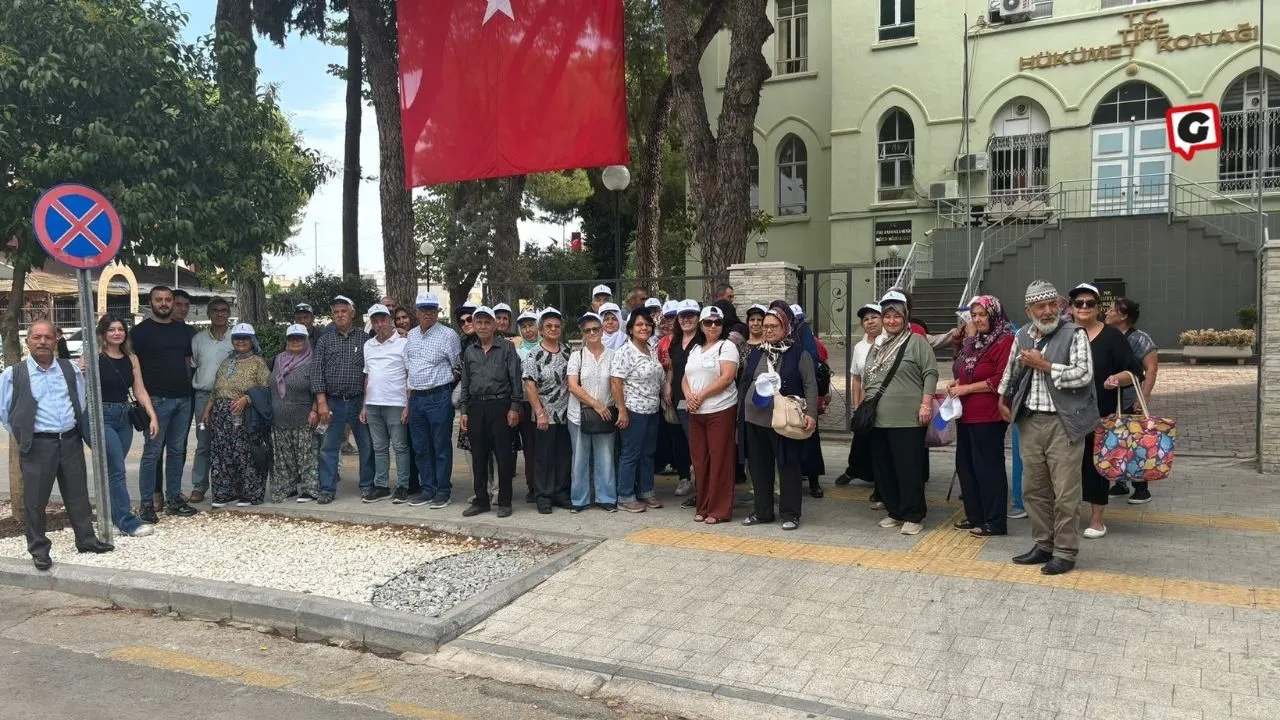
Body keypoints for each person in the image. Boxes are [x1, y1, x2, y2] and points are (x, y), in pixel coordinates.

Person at [998, 280, 1098, 576]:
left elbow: (1083, 375)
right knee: (1034, 489)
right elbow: (1012, 369)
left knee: (1066, 492)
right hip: (1030, 421)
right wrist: (1002, 397)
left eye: (1052, 304)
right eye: (1040, 306)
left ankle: (1065, 551)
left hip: (1063, 423)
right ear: (1029, 310)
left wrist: (1046, 366)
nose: (1048, 311)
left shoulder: (1074, 333)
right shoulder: (1022, 335)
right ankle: (1043, 544)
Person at [0, 320, 114, 569]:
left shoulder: (69, 369)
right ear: (28, 341)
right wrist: (27, 434)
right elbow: (6, 412)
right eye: (37, 337)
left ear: (56, 340)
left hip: (70, 440)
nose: (42, 342)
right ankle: (39, 549)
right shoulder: (14, 374)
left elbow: (80, 400)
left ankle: (86, 540)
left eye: (48, 337)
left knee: (78, 494)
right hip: (38, 445)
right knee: (36, 500)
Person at [1067, 283, 1142, 540]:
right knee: (1065, 468)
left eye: (1090, 303)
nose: (1084, 307)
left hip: (1101, 415)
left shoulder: (1112, 337)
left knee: (1097, 468)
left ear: (1098, 308)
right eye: (1079, 303)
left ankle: (1097, 520)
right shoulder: (1064, 334)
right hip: (1066, 416)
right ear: (1071, 308)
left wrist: (1116, 379)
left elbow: (1134, 371)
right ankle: (1066, 518)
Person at [861, 291, 938, 536]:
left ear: (905, 317)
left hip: (908, 419)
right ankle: (895, 511)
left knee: (908, 468)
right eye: (887, 316)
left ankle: (914, 514)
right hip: (878, 419)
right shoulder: (878, 345)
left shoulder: (917, 342)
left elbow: (930, 373)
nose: (892, 321)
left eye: (897, 316)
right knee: (884, 468)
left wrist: (926, 404)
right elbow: (869, 378)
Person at [739, 307, 818, 530]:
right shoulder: (756, 352)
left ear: (786, 327)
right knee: (758, 467)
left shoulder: (798, 353)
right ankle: (762, 512)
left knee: (788, 466)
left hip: (784, 419)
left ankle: (790, 513)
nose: (768, 330)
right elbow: (745, 382)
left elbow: (810, 384)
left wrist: (811, 413)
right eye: (765, 326)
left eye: (774, 326)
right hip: (755, 418)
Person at [949, 296, 1015, 537]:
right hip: (965, 414)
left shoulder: (1005, 340)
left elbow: (1001, 378)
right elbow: (963, 369)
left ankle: (995, 521)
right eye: (974, 315)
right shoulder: (975, 341)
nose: (977, 320)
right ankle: (975, 515)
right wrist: (957, 383)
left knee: (988, 467)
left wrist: (966, 388)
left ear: (994, 315)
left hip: (988, 415)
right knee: (966, 467)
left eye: (982, 315)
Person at [131, 285, 199, 521]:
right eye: (159, 299)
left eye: (167, 299)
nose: (164, 303)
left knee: (178, 451)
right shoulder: (139, 333)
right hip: (155, 401)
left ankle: (174, 499)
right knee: (152, 452)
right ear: (150, 302)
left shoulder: (183, 332)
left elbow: (190, 362)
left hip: (183, 398)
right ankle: (147, 503)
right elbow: (130, 364)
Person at [91, 314, 159, 537]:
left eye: (120, 329)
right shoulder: (94, 357)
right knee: (118, 470)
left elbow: (139, 390)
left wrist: (152, 415)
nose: (117, 333)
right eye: (111, 330)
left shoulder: (131, 358)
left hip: (123, 416)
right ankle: (127, 521)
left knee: (114, 470)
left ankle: (109, 518)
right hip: (102, 415)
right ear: (103, 333)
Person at [460, 306, 523, 518]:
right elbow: (465, 384)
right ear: (474, 325)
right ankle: (481, 500)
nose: (483, 327)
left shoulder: (507, 349)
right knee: (478, 456)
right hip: (477, 407)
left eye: (488, 322)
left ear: (494, 325)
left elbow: (516, 380)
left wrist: (515, 407)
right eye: (479, 322)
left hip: (501, 406)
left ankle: (504, 501)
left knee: (504, 456)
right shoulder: (469, 351)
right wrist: (464, 412)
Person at [312, 295, 375, 504]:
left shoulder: (365, 340)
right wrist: (321, 401)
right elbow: (316, 372)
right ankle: (327, 489)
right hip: (333, 402)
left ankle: (367, 485)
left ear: (352, 313)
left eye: (343, 311)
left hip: (359, 401)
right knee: (329, 446)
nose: (339, 315)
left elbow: (371, 372)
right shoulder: (325, 340)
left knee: (366, 445)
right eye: (336, 312)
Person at [200, 324, 270, 507]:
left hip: (244, 413)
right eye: (238, 338)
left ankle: (250, 493)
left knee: (245, 453)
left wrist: (247, 399)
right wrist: (208, 408)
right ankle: (225, 492)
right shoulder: (226, 361)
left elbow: (266, 388)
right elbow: (217, 389)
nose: (241, 341)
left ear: (252, 341)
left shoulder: (258, 362)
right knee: (221, 454)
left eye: (245, 338)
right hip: (221, 415)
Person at [405, 292, 463, 509]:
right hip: (416, 398)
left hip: (438, 396)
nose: (427, 313)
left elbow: (457, 366)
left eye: (432, 309)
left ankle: (443, 490)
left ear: (437, 311)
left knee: (440, 446)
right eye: (423, 309)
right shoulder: (411, 335)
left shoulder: (448, 335)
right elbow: (408, 363)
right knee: (420, 447)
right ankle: (427, 488)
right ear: (417, 312)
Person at [684, 305, 740, 524]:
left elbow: (727, 377)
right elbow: (685, 377)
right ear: (701, 325)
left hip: (720, 409)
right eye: (708, 322)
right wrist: (689, 395)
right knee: (700, 460)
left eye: (717, 322)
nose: (713, 326)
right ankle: (703, 505)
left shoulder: (727, 347)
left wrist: (702, 395)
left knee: (720, 459)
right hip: (696, 412)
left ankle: (719, 509)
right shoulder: (696, 349)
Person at [1105, 297, 1160, 504]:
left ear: (1124, 316)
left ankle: (1141, 487)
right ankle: (1120, 483)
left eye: (1112, 310)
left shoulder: (1140, 339)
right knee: (1116, 440)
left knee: (1136, 441)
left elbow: (1151, 368)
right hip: (1112, 398)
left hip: (1130, 398)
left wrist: (1143, 396)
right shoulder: (1107, 335)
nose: (1107, 313)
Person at [611, 311, 665, 513]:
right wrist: (622, 410)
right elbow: (616, 381)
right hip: (633, 410)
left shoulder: (651, 348)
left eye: (648, 324)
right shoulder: (625, 351)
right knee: (630, 454)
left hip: (652, 409)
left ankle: (646, 490)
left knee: (648, 453)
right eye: (639, 325)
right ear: (631, 329)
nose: (644, 328)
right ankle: (625, 495)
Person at [524, 308, 573, 514]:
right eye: (549, 326)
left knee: (563, 455)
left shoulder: (568, 351)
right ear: (541, 329)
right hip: (544, 414)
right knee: (543, 457)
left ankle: (561, 493)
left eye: (557, 326)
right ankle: (542, 495)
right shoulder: (533, 355)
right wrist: (540, 412)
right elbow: (529, 385)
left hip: (566, 414)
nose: (553, 329)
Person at [567, 313, 617, 512]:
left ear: (602, 330)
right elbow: (572, 385)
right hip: (580, 414)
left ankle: (606, 498)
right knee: (579, 457)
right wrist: (596, 404)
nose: (592, 333)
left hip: (606, 414)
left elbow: (616, 383)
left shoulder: (613, 355)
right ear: (583, 333)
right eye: (588, 330)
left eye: (596, 329)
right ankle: (579, 499)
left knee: (605, 457)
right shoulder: (576, 355)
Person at [361, 303, 411, 503]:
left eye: (383, 319)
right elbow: (367, 376)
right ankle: (381, 485)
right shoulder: (368, 345)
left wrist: (408, 404)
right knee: (379, 447)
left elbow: (410, 375)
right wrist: (364, 405)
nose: (379, 324)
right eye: (375, 320)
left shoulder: (403, 343)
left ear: (390, 321)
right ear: (371, 323)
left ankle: (403, 485)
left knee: (400, 446)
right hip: (373, 404)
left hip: (396, 402)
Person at [188, 298, 234, 504]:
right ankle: (199, 486)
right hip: (203, 396)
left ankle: (229, 484)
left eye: (224, 310)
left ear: (229, 313)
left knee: (230, 442)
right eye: (215, 310)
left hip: (230, 397)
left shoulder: (236, 337)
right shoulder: (198, 340)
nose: (220, 314)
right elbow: (194, 365)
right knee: (204, 443)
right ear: (208, 314)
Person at [269, 324, 320, 503]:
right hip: (279, 418)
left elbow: (319, 389)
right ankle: (287, 488)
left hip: (304, 417)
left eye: (299, 338)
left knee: (307, 456)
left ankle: (310, 489)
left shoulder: (313, 361)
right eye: (292, 338)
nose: (295, 341)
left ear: (306, 340)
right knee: (283, 457)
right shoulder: (278, 359)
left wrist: (315, 410)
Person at [835, 303, 882, 488]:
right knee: (861, 441)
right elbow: (856, 377)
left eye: (874, 317)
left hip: (887, 401)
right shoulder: (860, 347)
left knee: (881, 443)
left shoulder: (891, 342)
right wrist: (856, 404)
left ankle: (881, 483)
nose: (870, 322)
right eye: (866, 319)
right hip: (866, 402)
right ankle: (853, 470)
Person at [665, 299, 700, 502]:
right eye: (682, 316)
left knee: (696, 444)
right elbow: (672, 366)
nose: (686, 319)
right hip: (677, 399)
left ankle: (702, 487)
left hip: (696, 401)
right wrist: (668, 385)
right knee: (679, 441)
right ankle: (684, 479)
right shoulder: (676, 341)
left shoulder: (702, 341)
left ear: (698, 318)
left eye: (691, 315)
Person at [513, 309, 540, 501]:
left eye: (531, 325)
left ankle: (545, 483)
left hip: (542, 403)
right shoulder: (516, 350)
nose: (528, 330)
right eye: (524, 327)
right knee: (529, 447)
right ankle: (533, 486)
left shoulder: (547, 346)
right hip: (523, 403)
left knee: (543, 446)